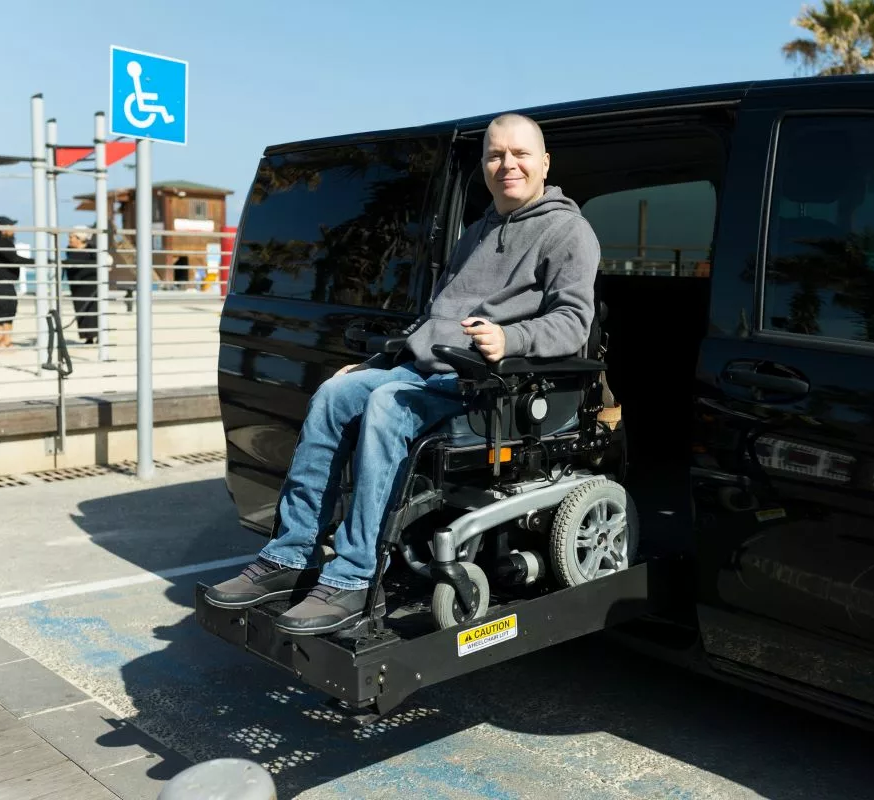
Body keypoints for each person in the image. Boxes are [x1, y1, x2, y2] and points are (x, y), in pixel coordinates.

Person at [205, 113, 602, 635]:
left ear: (544, 162)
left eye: (520, 154)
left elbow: (573, 324)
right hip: (427, 372)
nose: (508, 164)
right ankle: (291, 555)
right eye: (496, 155)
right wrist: (375, 364)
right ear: (484, 166)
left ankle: (351, 578)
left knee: (389, 404)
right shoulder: (477, 232)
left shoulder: (567, 231)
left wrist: (511, 340)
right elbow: (434, 320)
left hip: (491, 387)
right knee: (336, 392)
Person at [0, 216, 33, 349]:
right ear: (2, 228)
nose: (13, 229)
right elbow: (14, 259)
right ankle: (0, 342)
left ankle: (7, 340)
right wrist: (36, 261)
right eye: (10, 226)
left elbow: (13, 259)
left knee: (10, 311)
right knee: (1, 312)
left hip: (6, 283)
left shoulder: (3, 241)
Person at [63, 225, 99, 344]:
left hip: (91, 285)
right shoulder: (69, 250)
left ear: (79, 238)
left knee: (94, 310)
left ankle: (98, 334)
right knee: (80, 311)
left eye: (71, 236)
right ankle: (88, 337)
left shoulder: (92, 249)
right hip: (76, 286)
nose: (69, 239)